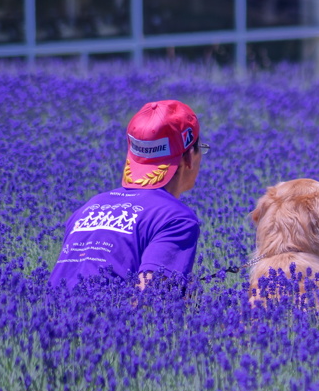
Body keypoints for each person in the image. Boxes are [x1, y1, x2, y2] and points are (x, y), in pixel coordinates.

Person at [49, 99, 206, 290]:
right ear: (189, 156)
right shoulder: (177, 219)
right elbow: (150, 299)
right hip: (109, 319)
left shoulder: (90, 207)